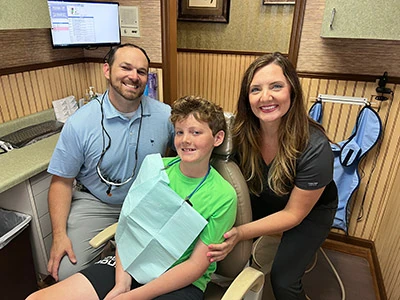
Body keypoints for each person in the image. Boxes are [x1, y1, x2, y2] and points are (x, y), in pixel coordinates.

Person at [27, 95, 237, 300]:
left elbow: (195, 267)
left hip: (180, 281)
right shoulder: (156, 168)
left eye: (196, 132)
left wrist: (133, 295)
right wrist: (122, 281)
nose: (185, 140)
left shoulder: (223, 196)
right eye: (179, 132)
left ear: (217, 138)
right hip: (131, 262)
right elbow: (128, 227)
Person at [207, 52, 338, 300]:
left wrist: (241, 233)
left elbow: (293, 214)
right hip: (263, 195)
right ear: (247, 98)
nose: (265, 97)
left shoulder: (315, 147)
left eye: (276, 86)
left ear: (292, 91)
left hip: (309, 211)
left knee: (284, 280)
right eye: (256, 89)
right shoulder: (239, 133)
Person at [46, 43, 175, 281]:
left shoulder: (164, 115)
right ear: (107, 70)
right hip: (97, 202)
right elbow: (61, 182)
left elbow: (188, 154)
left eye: (141, 71)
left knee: (166, 263)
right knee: (66, 271)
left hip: (147, 200)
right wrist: (59, 235)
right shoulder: (80, 123)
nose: (133, 77)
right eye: (125, 67)